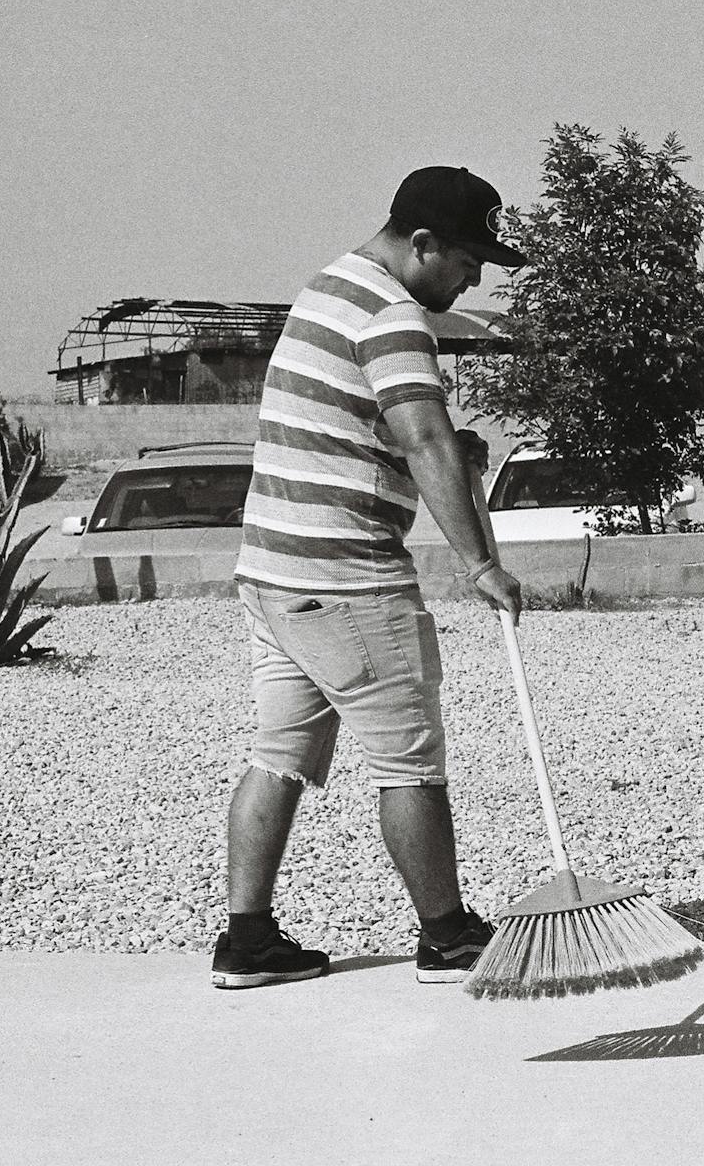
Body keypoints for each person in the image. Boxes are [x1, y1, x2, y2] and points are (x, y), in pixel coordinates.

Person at [212, 165, 526, 990]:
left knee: (278, 752)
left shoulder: (326, 288)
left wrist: (446, 453)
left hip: (272, 571)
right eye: (466, 258)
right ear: (420, 243)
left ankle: (246, 942)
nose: (475, 277)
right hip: (347, 574)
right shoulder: (393, 316)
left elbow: (365, 429)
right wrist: (481, 564)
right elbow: (422, 439)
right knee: (410, 761)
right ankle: (449, 937)